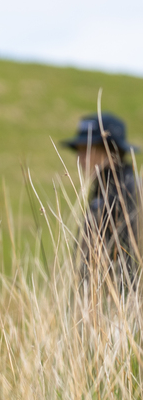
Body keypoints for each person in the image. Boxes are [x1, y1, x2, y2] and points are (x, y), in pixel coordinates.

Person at [62, 111, 140, 290]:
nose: (79, 160)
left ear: (111, 150)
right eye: (78, 151)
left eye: (87, 150)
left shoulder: (118, 195)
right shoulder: (112, 187)